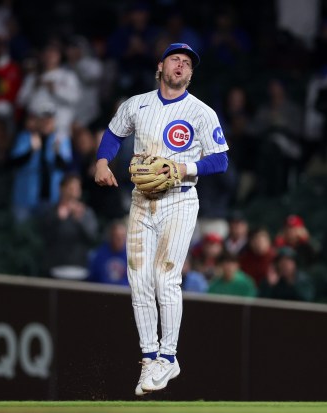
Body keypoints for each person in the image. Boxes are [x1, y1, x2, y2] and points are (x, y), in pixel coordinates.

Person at [94, 43, 229, 396]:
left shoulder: (201, 112)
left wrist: (183, 168)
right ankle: (150, 358)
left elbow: (220, 160)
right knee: (138, 281)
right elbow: (113, 133)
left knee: (164, 277)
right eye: (175, 60)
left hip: (179, 199)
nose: (181, 66)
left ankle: (169, 357)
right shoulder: (137, 104)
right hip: (142, 200)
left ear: (191, 73)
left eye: (187, 63)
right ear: (161, 66)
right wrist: (102, 162)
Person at [10, 102, 73, 222]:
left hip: (52, 199)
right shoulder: (25, 137)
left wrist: (57, 152)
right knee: (22, 234)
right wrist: (30, 151)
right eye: (42, 119)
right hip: (25, 198)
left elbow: (65, 166)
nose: (46, 123)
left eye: (49, 119)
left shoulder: (60, 139)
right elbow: (14, 162)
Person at [38, 174, 98, 279]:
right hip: (55, 269)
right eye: (71, 187)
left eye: (77, 188)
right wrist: (58, 219)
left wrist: (80, 220)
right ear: (62, 189)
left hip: (80, 269)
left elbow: (92, 238)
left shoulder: (86, 213)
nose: (73, 191)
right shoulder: (52, 212)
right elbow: (44, 238)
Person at [87, 221, 128, 286]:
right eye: (117, 236)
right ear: (111, 237)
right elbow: (94, 278)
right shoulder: (100, 255)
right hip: (103, 292)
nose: (120, 239)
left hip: (123, 293)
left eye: (122, 236)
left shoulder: (131, 256)